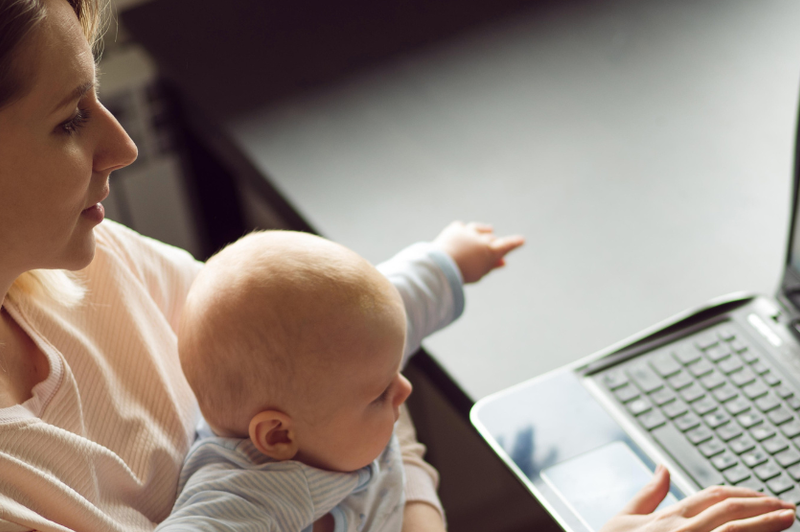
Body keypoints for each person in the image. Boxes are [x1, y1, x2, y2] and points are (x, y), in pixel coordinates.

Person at [0, 0, 796, 530]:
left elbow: (340, 345)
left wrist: (412, 513)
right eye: (71, 119)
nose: (123, 146)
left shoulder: (95, 263)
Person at [156, 226, 517, 531]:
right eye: (379, 395)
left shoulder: (344, 358)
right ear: (279, 435)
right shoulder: (246, 495)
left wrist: (449, 260)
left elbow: (399, 301)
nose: (403, 388)